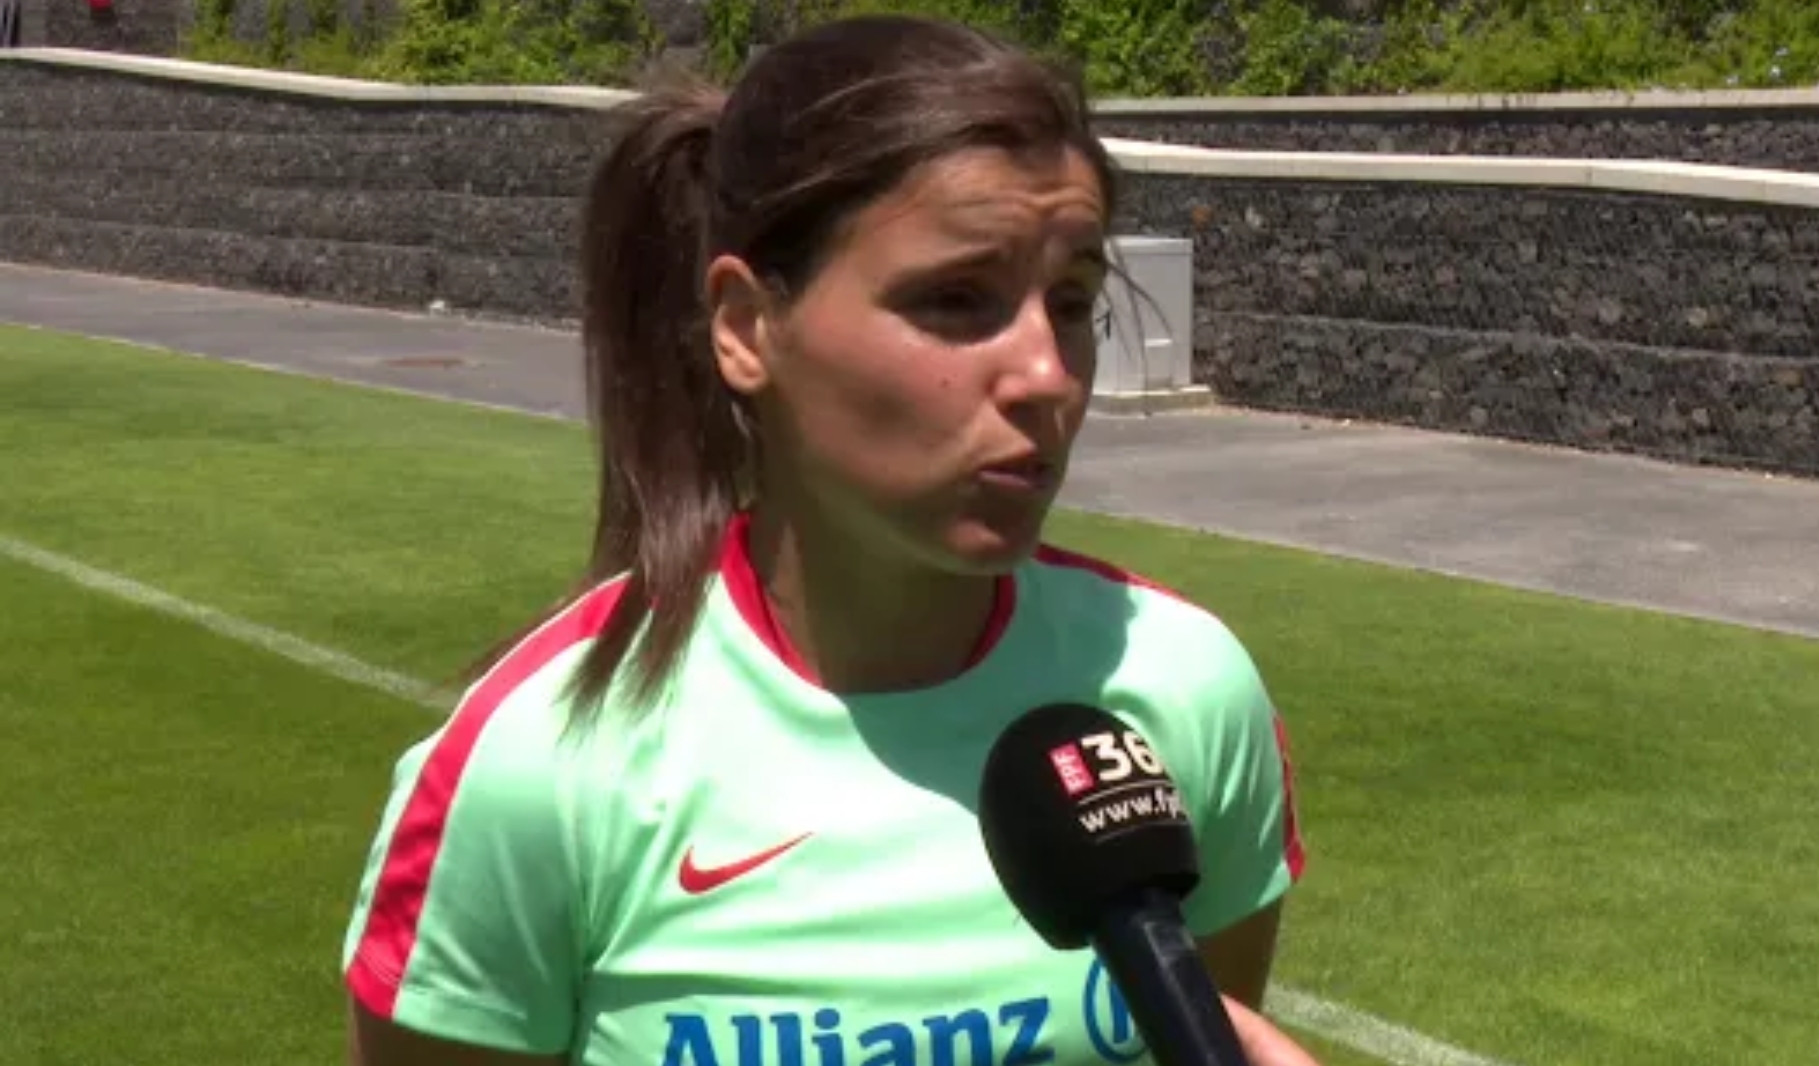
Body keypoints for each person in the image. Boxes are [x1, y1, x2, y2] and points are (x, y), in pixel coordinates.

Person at [340, 13, 1319, 1066]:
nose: (1046, 375)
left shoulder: (1184, 689)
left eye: (1072, 301)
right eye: (956, 300)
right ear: (746, 327)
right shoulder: (539, 771)